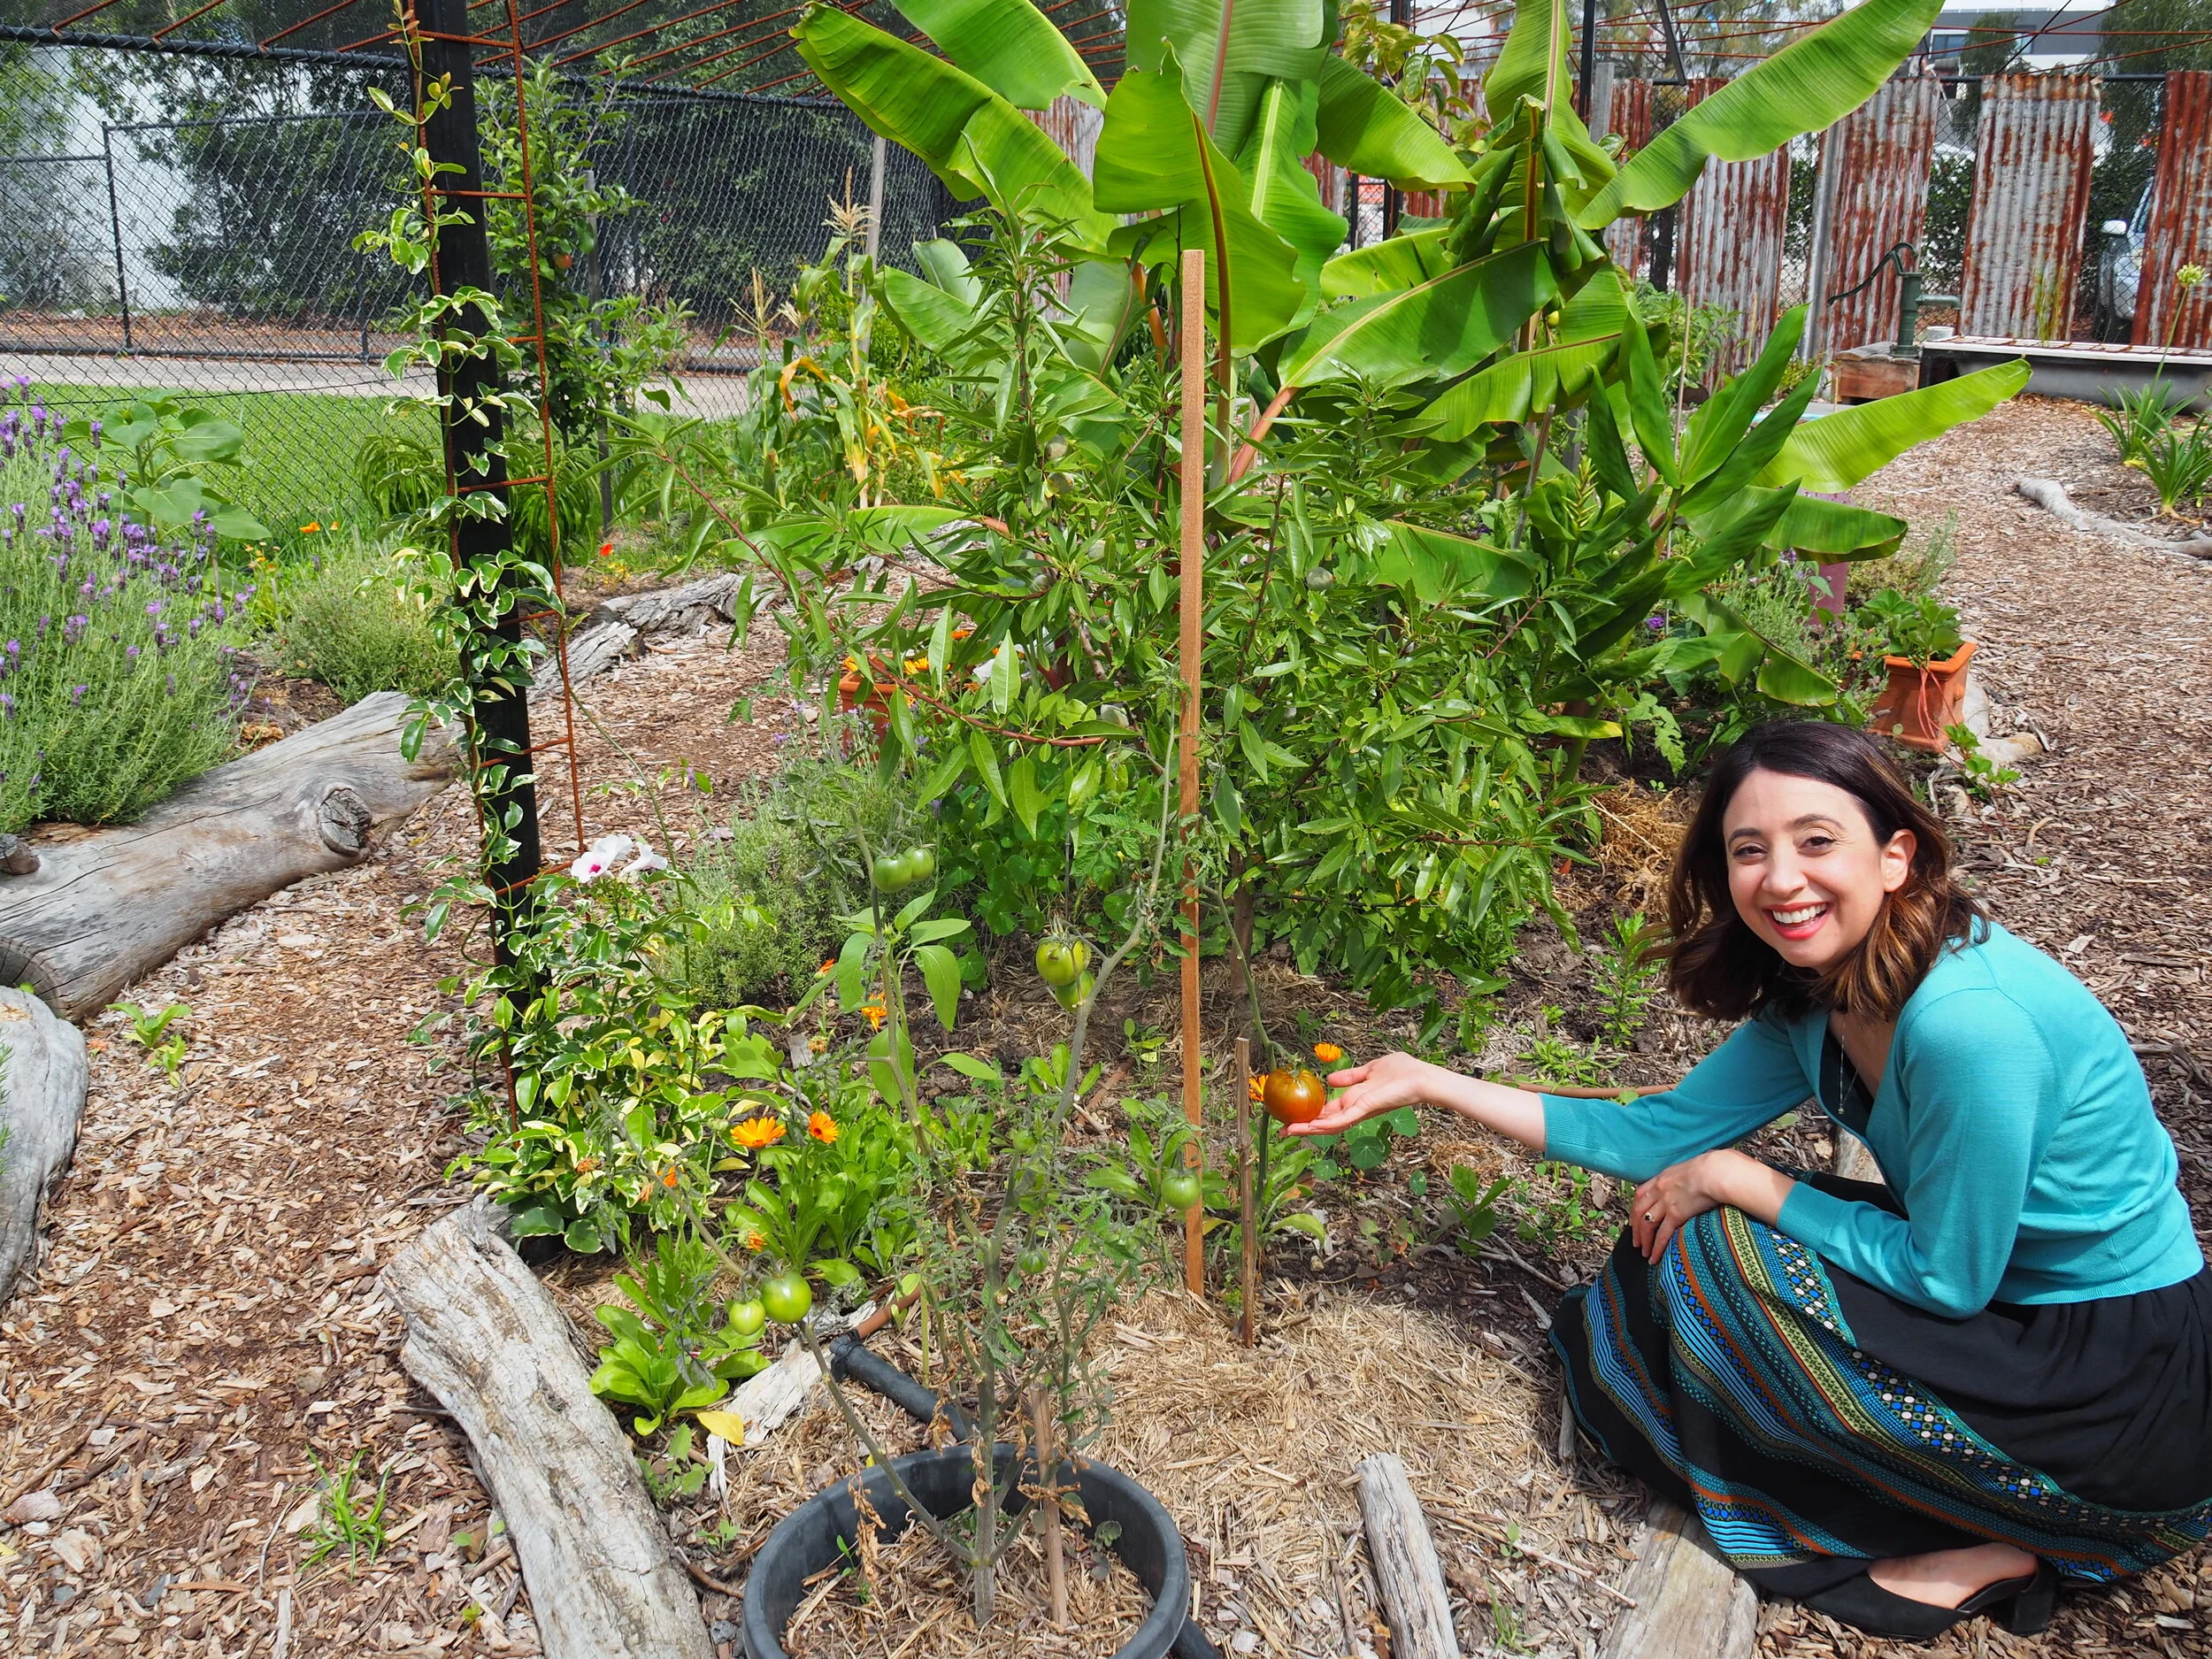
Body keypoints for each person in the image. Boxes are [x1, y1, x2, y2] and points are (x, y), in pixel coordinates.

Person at [1294, 719, 2211, 1640]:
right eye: (1748, 850)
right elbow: (1654, 1136)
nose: (1779, 879)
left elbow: (1947, 1278)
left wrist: (1744, 1179)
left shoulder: (1972, 1026)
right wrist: (1429, 1081)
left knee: (1713, 1252)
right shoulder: (1816, 995)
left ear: (1895, 857)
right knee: (1680, 1246)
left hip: (2109, 1376)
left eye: (1817, 842)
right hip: (1997, 1300)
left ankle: (1987, 1535)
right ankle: (1905, 1488)